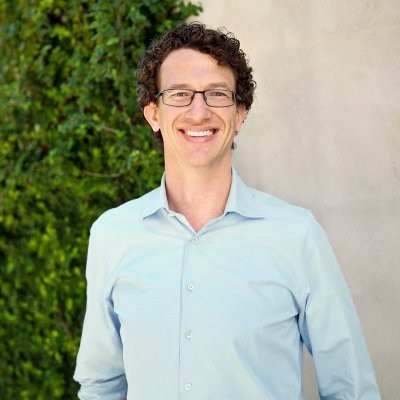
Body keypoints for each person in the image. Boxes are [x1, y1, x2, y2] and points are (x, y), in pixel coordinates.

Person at [74, 22, 380, 399]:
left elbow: (351, 388)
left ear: (240, 114)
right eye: (179, 94)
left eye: (217, 94)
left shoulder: (296, 236)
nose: (199, 111)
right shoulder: (112, 235)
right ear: (152, 113)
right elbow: (102, 385)